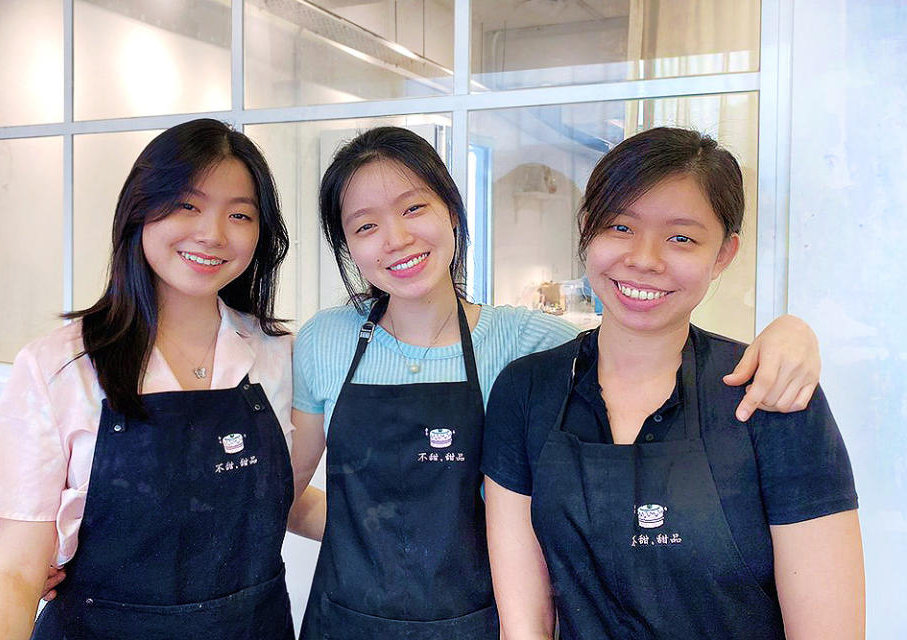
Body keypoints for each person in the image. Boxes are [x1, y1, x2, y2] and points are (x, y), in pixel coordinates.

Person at [289, 126, 824, 639]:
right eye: (365, 226)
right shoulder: (324, 341)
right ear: (347, 245)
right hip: (346, 619)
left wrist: (789, 333)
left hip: (486, 619)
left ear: (451, 211)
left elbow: (641, 334)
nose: (396, 239)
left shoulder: (531, 348)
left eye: (413, 208)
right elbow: (283, 495)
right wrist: (378, 537)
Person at [482, 127, 864, 639]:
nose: (644, 258)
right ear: (586, 229)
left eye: (681, 237)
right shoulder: (527, 391)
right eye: (620, 227)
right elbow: (525, 625)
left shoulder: (769, 396)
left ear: (723, 255)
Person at [0, 119, 307, 640]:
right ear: (139, 209)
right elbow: (12, 575)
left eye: (239, 214)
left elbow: (285, 496)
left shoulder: (279, 355)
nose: (212, 233)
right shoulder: (60, 367)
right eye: (188, 205)